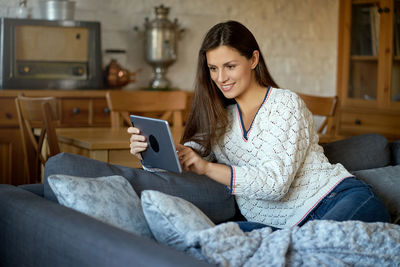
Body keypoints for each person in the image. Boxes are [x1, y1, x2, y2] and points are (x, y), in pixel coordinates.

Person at [128, 20, 390, 231]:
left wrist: (207, 167)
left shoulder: (286, 104)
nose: (221, 78)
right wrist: (148, 152)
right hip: (275, 226)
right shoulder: (219, 118)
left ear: (253, 60)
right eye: (213, 68)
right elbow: (185, 157)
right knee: (212, 239)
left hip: (337, 201)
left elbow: (275, 185)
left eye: (230, 66)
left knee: (313, 248)